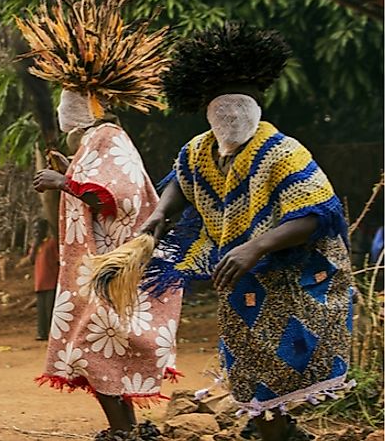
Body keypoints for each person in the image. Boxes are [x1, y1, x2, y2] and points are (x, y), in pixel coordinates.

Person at [141, 22, 354, 441]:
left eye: (238, 108)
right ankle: (275, 429)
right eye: (221, 109)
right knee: (250, 364)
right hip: (240, 281)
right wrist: (161, 213)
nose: (230, 117)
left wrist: (256, 246)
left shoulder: (284, 152)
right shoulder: (199, 150)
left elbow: (316, 212)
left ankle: (281, 429)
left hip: (292, 276)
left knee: (289, 362)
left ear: (255, 108)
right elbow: (180, 183)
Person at [17, 0, 177, 440]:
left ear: (84, 106)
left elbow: (117, 196)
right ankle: (126, 430)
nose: (63, 113)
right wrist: (73, 171)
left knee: (93, 349)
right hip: (100, 271)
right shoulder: (96, 141)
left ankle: (125, 431)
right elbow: (106, 188)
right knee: (98, 352)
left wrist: (64, 182)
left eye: (67, 104)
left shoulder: (105, 137)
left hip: (109, 272)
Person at [29, 218, 58, 341]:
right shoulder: (36, 245)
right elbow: (31, 260)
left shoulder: (51, 243)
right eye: (34, 229)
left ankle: (53, 334)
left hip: (51, 282)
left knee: (50, 310)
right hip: (39, 282)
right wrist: (35, 245)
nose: (36, 232)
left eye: (38, 229)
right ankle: (41, 333)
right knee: (40, 310)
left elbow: (58, 260)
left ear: (44, 230)